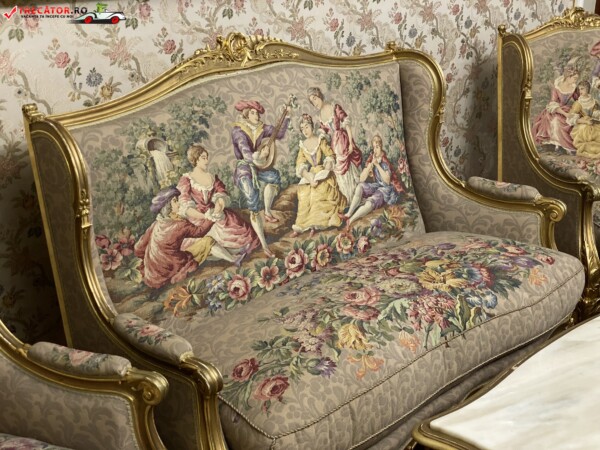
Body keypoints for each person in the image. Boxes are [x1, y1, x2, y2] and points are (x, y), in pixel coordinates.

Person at [177, 144, 259, 261]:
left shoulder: (212, 177)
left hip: (215, 211)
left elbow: (221, 193)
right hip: (197, 216)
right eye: (203, 158)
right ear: (196, 159)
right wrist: (205, 216)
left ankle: (235, 252)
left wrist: (218, 208)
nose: (207, 161)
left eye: (207, 157)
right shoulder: (186, 179)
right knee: (203, 239)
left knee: (237, 231)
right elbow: (184, 204)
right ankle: (228, 256)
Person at [231, 99, 290, 257]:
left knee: (274, 177)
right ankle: (264, 245)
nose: (256, 116)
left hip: (259, 166)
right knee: (252, 198)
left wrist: (286, 117)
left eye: (257, 113)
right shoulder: (238, 131)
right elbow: (246, 153)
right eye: (253, 113)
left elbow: (279, 133)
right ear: (246, 114)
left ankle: (268, 211)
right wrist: (261, 155)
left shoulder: (261, 128)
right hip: (245, 168)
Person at [134, 186, 216, 289]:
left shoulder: (156, 224)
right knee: (208, 241)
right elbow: (200, 231)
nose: (179, 203)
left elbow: (138, 248)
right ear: (168, 205)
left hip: (152, 274)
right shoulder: (180, 225)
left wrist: (149, 261)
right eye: (175, 201)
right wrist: (211, 218)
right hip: (172, 267)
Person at [291, 114, 347, 237]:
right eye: (302, 128)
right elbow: (300, 164)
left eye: (307, 127)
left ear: (312, 127)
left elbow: (330, 155)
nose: (305, 131)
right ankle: (301, 225)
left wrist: (326, 168)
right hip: (311, 174)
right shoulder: (303, 146)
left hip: (323, 172)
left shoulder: (320, 140)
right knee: (304, 194)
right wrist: (308, 176)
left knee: (319, 192)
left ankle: (315, 225)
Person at [307, 86, 363, 203]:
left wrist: (351, 143)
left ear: (319, 96)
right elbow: (325, 134)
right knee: (338, 172)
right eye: (312, 102)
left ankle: (357, 197)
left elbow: (346, 123)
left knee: (349, 170)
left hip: (343, 140)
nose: (314, 103)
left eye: (315, 99)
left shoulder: (334, 107)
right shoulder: (320, 117)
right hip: (334, 145)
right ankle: (348, 200)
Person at [340, 134, 403, 229]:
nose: (375, 150)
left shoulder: (385, 161)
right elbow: (361, 179)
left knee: (369, 203)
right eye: (374, 147)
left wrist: (377, 165)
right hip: (377, 185)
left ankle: (351, 220)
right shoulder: (372, 158)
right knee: (360, 187)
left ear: (381, 147)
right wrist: (370, 166)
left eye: (377, 147)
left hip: (385, 189)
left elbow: (387, 181)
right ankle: (348, 214)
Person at [531, 58, 580, 154]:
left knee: (573, 120)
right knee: (556, 121)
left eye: (576, 79)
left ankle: (565, 146)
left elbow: (578, 99)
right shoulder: (557, 87)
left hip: (566, 109)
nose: (575, 81)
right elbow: (552, 103)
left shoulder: (573, 87)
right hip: (555, 110)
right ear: (568, 77)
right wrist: (565, 114)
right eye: (574, 78)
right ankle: (558, 145)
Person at [569, 80, 600, 157]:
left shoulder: (594, 101)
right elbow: (571, 119)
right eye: (579, 89)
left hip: (593, 123)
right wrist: (585, 122)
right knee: (585, 130)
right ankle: (588, 148)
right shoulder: (578, 103)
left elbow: (596, 114)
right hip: (583, 124)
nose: (580, 91)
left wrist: (596, 117)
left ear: (587, 89)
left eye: (582, 89)